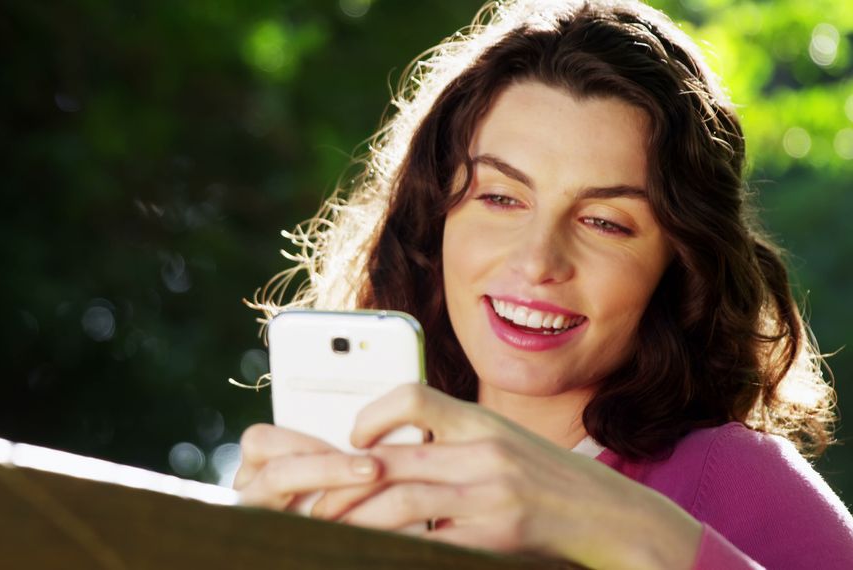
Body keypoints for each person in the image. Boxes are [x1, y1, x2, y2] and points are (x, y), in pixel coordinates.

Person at [233, 0, 853, 567]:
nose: (538, 261)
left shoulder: (730, 476)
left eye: (605, 222)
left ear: (680, 262)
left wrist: (630, 531)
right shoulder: (354, 483)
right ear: (435, 219)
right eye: (500, 197)